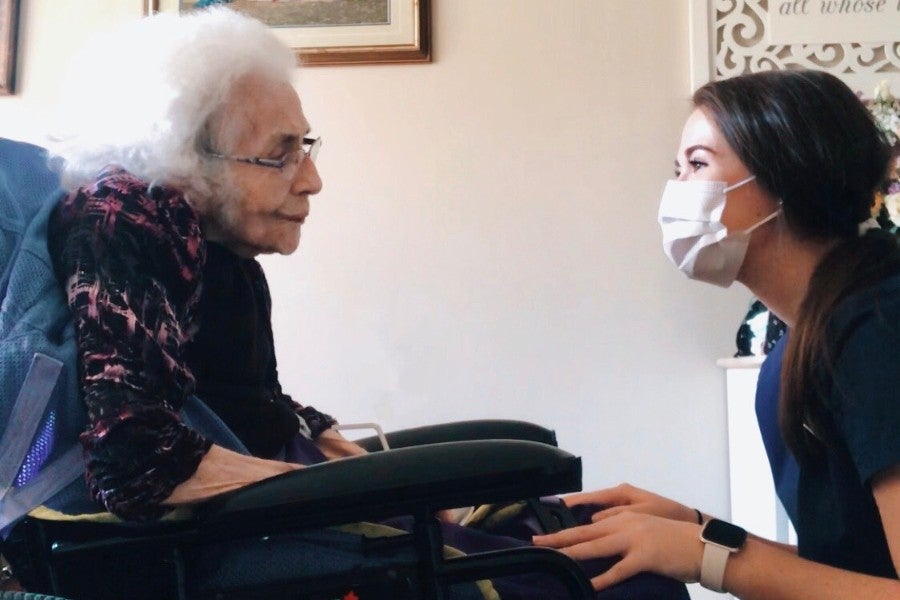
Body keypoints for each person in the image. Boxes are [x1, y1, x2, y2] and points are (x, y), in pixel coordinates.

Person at [35, 7, 690, 598]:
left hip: (282, 523)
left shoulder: (220, 250)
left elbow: (242, 403)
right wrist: (356, 495)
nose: (312, 180)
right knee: (636, 585)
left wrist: (356, 466)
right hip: (242, 546)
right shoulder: (130, 218)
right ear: (187, 159)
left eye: (305, 146)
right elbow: (135, 462)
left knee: (614, 545)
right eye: (281, 155)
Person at [534, 70, 900, 598]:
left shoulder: (878, 334)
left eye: (698, 165)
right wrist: (696, 528)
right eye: (677, 170)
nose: (676, 191)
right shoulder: (797, 351)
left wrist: (708, 557)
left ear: (786, 179)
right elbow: (850, 570)